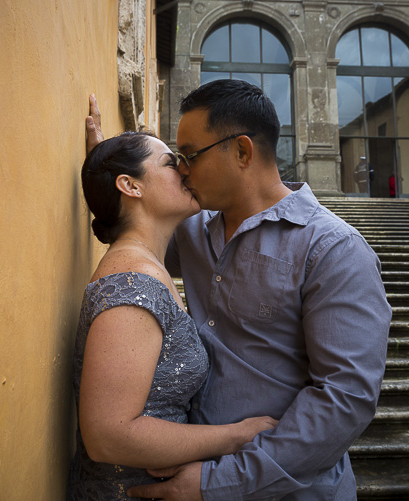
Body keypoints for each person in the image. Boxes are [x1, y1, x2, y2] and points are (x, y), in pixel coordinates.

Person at [85, 80, 391, 500]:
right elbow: (135, 227)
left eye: (189, 156)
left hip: (285, 490)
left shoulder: (332, 249)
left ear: (243, 152)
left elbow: (345, 399)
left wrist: (219, 483)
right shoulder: (191, 229)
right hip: (187, 469)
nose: (183, 170)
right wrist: (106, 165)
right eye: (175, 161)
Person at [68, 130, 278, 500]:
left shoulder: (150, 266)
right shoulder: (132, 284)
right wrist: (236, 436)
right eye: (170, 162)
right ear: (131, 186)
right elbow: (108, 436)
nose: (184, 171)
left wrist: (105, 161)